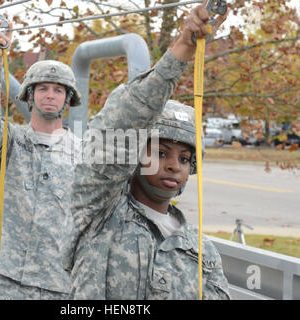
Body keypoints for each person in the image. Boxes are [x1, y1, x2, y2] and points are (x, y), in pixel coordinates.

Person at [68, 2, 230, 299]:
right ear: (134, 155)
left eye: (184, 158)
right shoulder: (98, 214)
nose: (174, 166)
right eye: (161, 153)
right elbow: (124, 120)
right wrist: (183, 47)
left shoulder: (201, 250)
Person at [0, 15, 81, 300]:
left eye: (58, 90)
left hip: (60, 281)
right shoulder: (11, 140)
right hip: (7, 277)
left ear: (67, 100)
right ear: (29, 96)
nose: (50, 95)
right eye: (42, 88)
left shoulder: (83, 152)